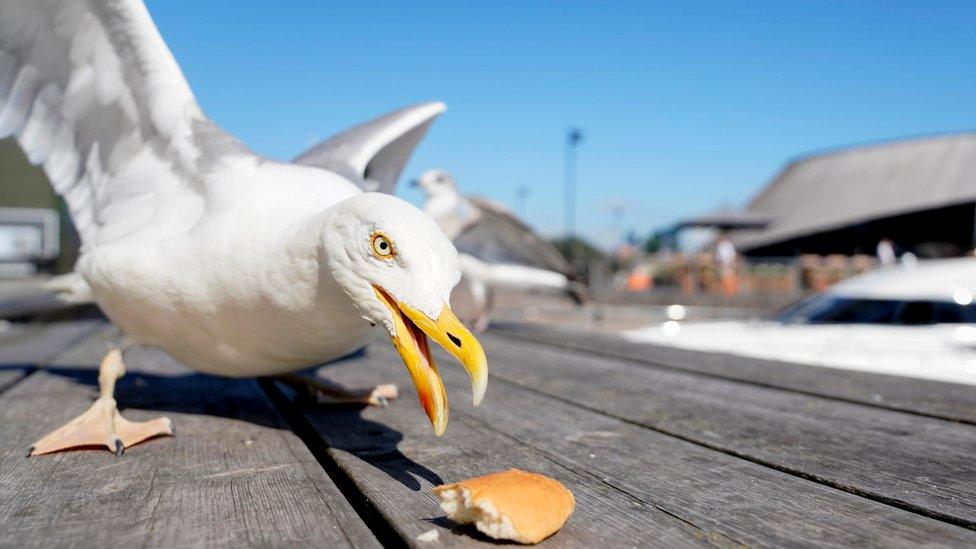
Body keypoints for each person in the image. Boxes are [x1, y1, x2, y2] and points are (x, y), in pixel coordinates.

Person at [715, 232, 738, 297]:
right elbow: (718, 257)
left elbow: (732, 256)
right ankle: (726, 293)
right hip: (723, 265)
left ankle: (730, 293)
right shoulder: (720, 245)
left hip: (729, 265)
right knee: (724, 279)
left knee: (730, 278)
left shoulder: (729, 245)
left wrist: (731, 263)